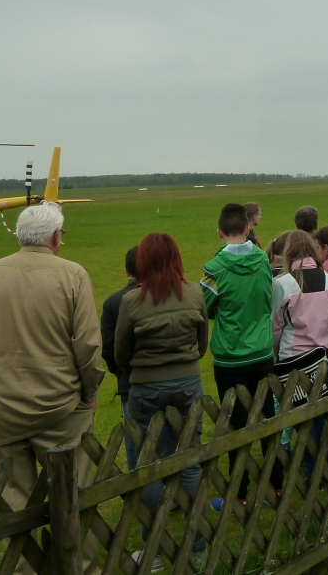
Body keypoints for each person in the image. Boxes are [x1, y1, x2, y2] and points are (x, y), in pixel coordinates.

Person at [0, 202, 104, 575]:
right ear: (54, 237)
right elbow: (88, 344)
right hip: (62, 406)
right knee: (74, 500)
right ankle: (81, 568)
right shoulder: (73, 275)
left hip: (0, 408)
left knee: (14, 509)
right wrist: (89, 392)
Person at [115, 233, 208, 571]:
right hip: (187, 382)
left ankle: (153, 552)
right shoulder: (194, 292)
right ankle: (199, 549)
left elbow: (121, 352)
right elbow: (202, 344)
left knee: (148, 466)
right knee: (190, 461)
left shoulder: (132, 301)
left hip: (146, 386)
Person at [201, 203, 279, 506]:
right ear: (248, 229)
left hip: (230, 356)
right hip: (262, 352)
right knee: (268, 419)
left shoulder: (214, 269)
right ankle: (276, 485)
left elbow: (205, 308)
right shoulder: (263, 260)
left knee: (236, 426)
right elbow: (266, 297)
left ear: (219, 232)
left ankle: (240, 494)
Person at [273, 230, 328, 478]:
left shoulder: (283, 283)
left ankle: (314, 470)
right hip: (323, 355)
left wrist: (276, 354)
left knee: (304, 418)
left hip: (293, 358)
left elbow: (276, 326)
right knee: (322, 416)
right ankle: (327, 464)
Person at [100, 246, 140, 472]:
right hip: (162, 378)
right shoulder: (164, 295)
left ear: (127, 271)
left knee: (134, 439)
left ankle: (138, 486)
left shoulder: (113, 302)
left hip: (129, 379)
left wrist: (119, 370)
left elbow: (108, 347)